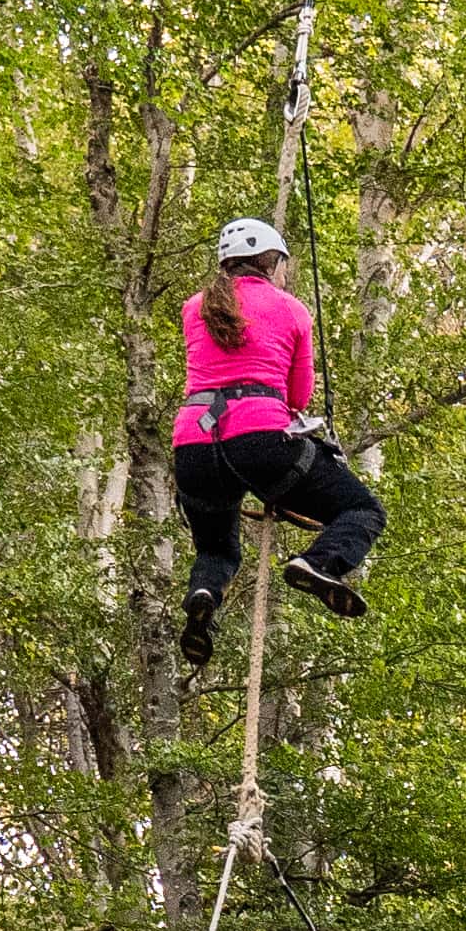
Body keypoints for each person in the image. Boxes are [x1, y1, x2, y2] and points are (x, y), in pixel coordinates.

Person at [169, 213, 378, 663]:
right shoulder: (290, 308)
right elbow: (299, 396)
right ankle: (320, 563)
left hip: (195, 446)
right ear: (270, 263)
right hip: (260, 440)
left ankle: (203, 594)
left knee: (216, 547)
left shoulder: (195, 307)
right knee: (362, 509)